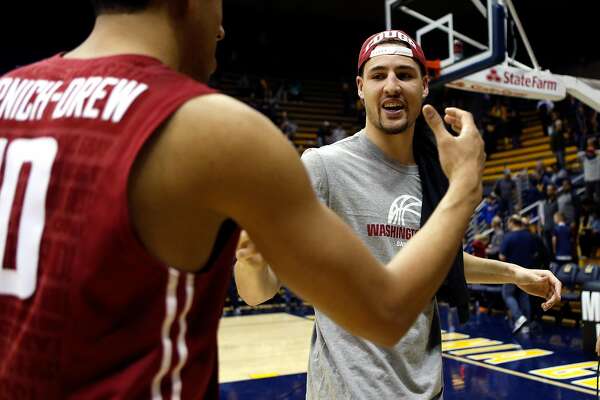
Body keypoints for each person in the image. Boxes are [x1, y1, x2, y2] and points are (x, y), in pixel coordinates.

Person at [0, 3, 495, 399]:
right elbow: (382, 311)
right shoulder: (212, 129)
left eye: (405, 75)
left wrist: (515, 274)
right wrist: (466, 185)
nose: (220, 29)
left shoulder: (8, 94)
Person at [235, 30, 561, 399]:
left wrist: (514, 273)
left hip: (426, 389)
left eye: (404, 75)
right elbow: (257, 293)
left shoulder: (434, 172)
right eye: (378, 75)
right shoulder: (323, 167)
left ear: (424, 85)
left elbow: (431, 258)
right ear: (360, 87)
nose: (391, 85)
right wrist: (251, 262)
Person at [499, 215, 541, 334]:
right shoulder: (529, 236)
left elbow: (502, 256)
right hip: (527, 270)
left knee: (507, 295)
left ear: (512, 222)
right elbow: (535, 253)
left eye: (508, 222)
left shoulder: (508, 237)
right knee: (524, 296)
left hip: (511, 272)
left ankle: (518, 317)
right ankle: (526, 324)